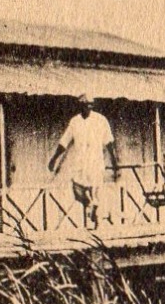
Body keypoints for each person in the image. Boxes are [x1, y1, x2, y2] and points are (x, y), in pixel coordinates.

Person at [48, 94, 116, 229]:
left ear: (92, 105)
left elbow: (109, 142)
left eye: (90, 104)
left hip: (95, 162)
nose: (88, 107)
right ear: (80, 106)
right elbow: (64, 142)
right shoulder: (75, 121)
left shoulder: (100, 120)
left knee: (95, 191)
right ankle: (91, 204)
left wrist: (114, 160)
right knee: (78, 189)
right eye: (85, 105)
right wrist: (54, 158)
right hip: (81, 162)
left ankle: (96, 219)